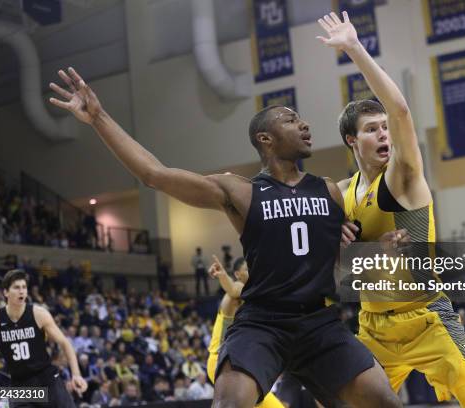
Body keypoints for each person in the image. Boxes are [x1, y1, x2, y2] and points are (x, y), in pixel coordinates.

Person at [49, 67, 400, 407]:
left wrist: (375, 250)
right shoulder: (241, 191)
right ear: (266, 138)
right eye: (291, 120)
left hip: (320, 323)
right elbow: (153, 174)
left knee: (385, 401)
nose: (305, 124)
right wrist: (98, 117)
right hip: (264, 323)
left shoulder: (327, 190)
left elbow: (341, 259)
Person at [317, 12, 465, 407]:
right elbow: (334, 264)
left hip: (428, 319)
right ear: (351, 140)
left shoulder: (402, 175)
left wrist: (353, 48)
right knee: (336, 401)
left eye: (384, 127)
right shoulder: (341, 193)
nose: (384, 134)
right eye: (371, 129)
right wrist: (336, 241)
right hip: (374, 327)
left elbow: (400, 112)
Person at [0, 269, 87, 407]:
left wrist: (76, 374)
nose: (22, 291)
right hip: (21, 387)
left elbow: (64, 343)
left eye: (24, 287)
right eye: (16, 287)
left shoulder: (39, 314)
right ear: (6, 292)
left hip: (47, 380)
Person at [207, 256, 285, 408]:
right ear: (237, 275)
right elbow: (233, 288)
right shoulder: (236, 293)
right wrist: (223, 276)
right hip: (222, 360)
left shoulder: (252, 296)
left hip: (240, 360)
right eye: (248, 269)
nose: (254, 271)